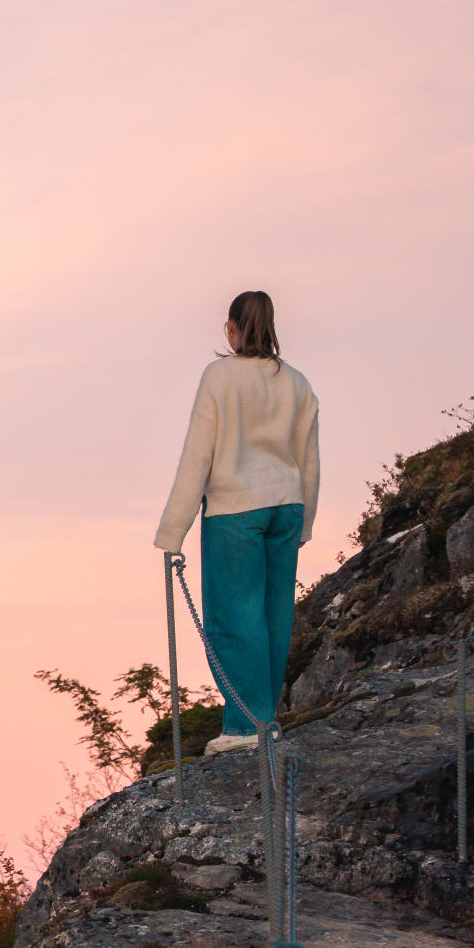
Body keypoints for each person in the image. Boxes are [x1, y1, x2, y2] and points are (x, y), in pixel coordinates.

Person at [155, 289, 320, 750]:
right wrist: (305, 521)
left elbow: (198, 455)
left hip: (236, 509)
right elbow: (310, 458)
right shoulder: (298, 383)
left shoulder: (220, 377)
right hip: (287, 506)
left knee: (233, 617)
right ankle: (264, 719)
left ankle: (246, 727)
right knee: (274, 615)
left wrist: (174, 530)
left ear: (231, 328)